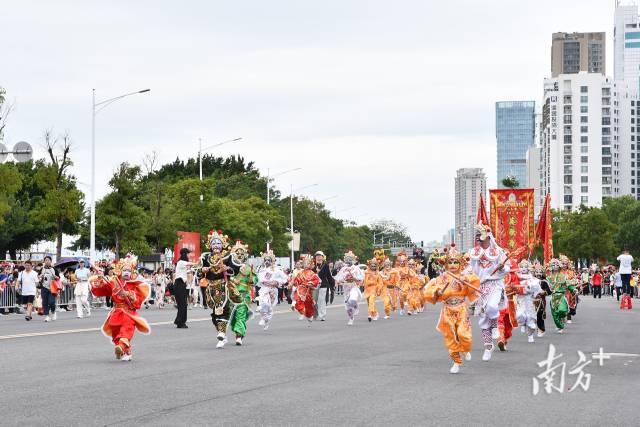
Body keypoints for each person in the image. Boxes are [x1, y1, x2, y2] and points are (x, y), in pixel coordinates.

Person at [423, 245, 480, 374]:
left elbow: (475, 280)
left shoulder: (465, 275)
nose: (453, 265)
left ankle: (465, 349)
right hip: (447, 309)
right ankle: (456, 362)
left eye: (456, 262)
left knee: (462, 333)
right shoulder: (442, 278)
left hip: (461, 308)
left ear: (460, 264)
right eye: (450, 262)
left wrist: (465, 280)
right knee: (450, 336)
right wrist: (436, 292)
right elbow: (430, 290)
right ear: (446, 264)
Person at [90, 254, 151, 361]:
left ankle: (122, 347)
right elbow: (100, 290)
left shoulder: (134, 284)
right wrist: (100, 278)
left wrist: (128, 294)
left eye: (129, 270)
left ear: (132, 272)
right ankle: (125, 351)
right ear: (120, 271)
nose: (126, 272)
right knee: (116, 333)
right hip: (116, 312)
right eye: (124, 270)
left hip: (128, 313)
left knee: (126, 330)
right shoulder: (113, 282)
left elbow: (138, 301)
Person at [467, 223, 509, 361]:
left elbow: (506, 268)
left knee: (491, 306)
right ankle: (488, 346)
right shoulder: (474, 252)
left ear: (488, 237)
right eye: (477, 235)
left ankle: (496, 325)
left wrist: (502, 267)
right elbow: (470, 269)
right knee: (483, 318)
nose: (478, 238)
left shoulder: (498, 251)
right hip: (481, 286)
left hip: (495, 284)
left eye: (481, 235)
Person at [257, 250, 288, 330]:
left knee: (269, 307)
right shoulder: (260, 269)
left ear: (272, 261)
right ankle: (264, 318)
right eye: (265, 260)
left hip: (272, 290)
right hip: (263, 289)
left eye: (269, 260)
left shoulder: (276, 270)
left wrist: (277, 282)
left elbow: (285, 278)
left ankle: (266, 320)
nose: (267, 262)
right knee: (262, 305)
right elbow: (257, 280)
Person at [515, 260, 542, 343]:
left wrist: (529, 286)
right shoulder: (516, 277)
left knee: (531, 319)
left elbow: (536, 289)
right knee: (520, 315)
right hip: (520, 300)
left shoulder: (532, 278)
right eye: (522, 267)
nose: (523, 268)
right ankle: (522, 324)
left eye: (525, 267)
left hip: (529, 300)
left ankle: (530, 336)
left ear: (528, 268)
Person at [334, 250, 364, 326]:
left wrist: (354, 277)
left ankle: (356, 305)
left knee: (353, 299)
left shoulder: (356, 268)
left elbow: (360, 278)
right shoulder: (343, 269)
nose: (348, 260)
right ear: (345, 259)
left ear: (353, 260)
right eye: (347, 258)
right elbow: (338, 278)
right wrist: (339, 281)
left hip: (353, 286)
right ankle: (351, 318)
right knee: (348, 307)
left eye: (350, 258)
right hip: (346, 288)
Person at [547, 258, 576, 333]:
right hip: (553, 297)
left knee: (562, 311)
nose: (555, 266)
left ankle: (563, 318)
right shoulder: (549, 277)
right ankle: (560, 326)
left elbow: (568, 284)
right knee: (555, 314)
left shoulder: (563, 276)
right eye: (553, 264)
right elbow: (545, 287)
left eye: (557, 264)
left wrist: (573, 289)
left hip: (561, 296)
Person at [292, 255, 321, 323]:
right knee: (298, 301)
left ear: (310, 264)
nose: (306, 264)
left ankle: (309, 315)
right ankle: (302, 311)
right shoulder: (300, 273)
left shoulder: (312, 273)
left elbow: (316, 280)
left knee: (308, 305)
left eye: (307, 263)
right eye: (305, 263)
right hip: (300, 289)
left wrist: (311, 283)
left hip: (308, 291)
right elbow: (297, 280)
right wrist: (293, 283)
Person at [312, 251, 335, 321]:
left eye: (320, 256)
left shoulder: (325, 266)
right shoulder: (312, 265)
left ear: (323, 257)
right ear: (315, 257)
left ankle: (322, 315)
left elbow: (328, 276)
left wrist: (332, 284)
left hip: (323, 285)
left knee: (322, 301)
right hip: (314, 285)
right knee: (314, 301)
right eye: (317, 256)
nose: (319, 257)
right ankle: (315, 314)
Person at [173, 247, 192, 329]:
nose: (188, 255)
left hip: (182, 285)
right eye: (187, 253)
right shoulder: (181, 262)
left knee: (183, 304)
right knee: (182, 304)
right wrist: (200, 262)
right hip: (179, 284)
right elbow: (192, 264)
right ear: (185, 254)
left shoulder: (183, 264)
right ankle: (180, 322)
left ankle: (179, 321)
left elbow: (190, 271)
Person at [39, 256, 59, 322]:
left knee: (51, 302)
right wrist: (40, 276)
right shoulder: (42, 269)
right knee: (44, 302)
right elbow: (38, 276)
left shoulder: (54, 269)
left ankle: (53, 311)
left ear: (51, 261)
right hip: (44, 287)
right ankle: (47, 315)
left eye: (48, 260)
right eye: (46, 260)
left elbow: (58, 278)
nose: (47, 261)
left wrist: (55, 276)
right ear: (44, 261)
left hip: (52, 287)